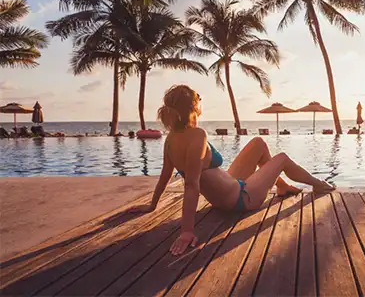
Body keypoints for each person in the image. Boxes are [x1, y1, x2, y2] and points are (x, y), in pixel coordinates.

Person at [127, 85, 335, 256]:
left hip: (228, 188)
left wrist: (153, 204)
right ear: (193, 107)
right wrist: (187, 231)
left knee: (259, 143)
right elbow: (191, 184)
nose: (201, 100)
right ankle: (318, 185)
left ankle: (281, 186)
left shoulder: (172, 138)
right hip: (241, 199)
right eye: (198, 97)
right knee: (282, 159)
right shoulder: (198, 135)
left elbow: (165, 175)